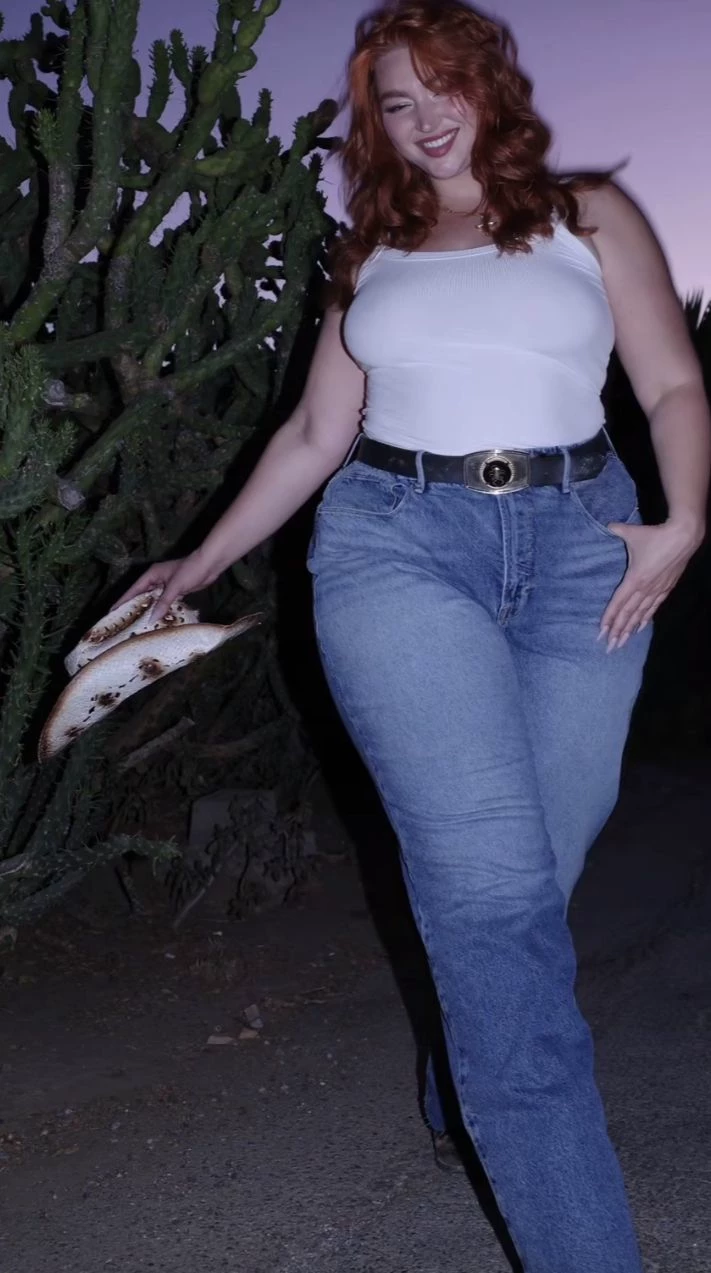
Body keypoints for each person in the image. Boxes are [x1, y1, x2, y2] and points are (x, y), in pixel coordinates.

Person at [118, 1, 710, 1268]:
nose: (426, 115)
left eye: (445, 85)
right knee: (492, 901)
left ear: (492, 86)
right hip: (395, 544)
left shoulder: (591, 213)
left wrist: (685, 521)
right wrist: (199, 561)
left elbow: (669, 382)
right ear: (377, 126)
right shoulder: (371, 248)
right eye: (398, 101)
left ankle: (462, 1068)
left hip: (583, 549)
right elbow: (312, 434)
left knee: (538, 870)